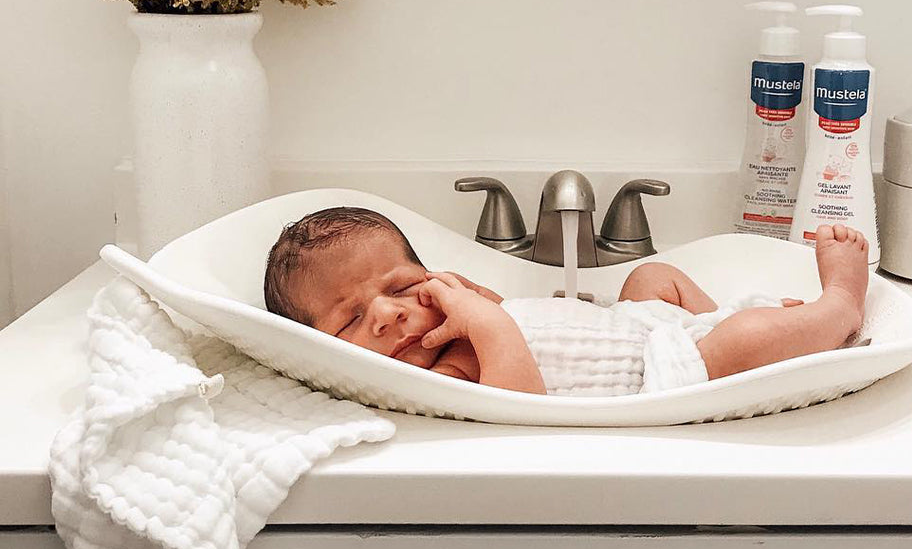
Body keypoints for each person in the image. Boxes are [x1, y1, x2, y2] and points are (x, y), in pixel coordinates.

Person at [264, 207, 868, 397]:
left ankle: (733, 326)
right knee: (740, 345)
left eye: (400, 288)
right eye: (351, 319)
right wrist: (484, 319)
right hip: (657, 374)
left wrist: (473, 299)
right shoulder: (442, 376)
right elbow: (518, 403)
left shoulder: (452, 315)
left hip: (636, 325)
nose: (389, 314)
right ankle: (838, 304)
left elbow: (519, 316)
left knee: (653, 276)